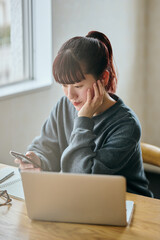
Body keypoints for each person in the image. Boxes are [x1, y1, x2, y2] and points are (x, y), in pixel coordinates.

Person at [15, 31, 153, 197]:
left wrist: (83, 120)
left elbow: (84, 180)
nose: (70, 95)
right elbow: (45, 147)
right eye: (64, 85)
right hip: (82, 201)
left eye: (78, 86)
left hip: (128, 205)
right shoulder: (64, 106)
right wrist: (37, 160)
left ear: (103, 78)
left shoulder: (127, 125)